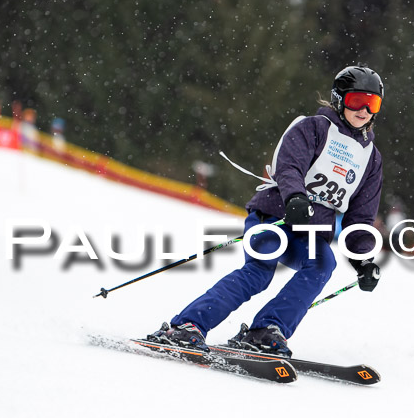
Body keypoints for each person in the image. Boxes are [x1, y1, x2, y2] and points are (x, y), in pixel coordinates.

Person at [147, 66, 385, 357]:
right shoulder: (313, 128)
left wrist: (362, 260)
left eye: (372, 103)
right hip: (275, 216)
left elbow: (360, 216)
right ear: (338, 99)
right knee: (259, 272)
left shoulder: (370, 159)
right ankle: (186, 326)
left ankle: (266, 331)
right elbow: (289, 166)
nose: (363, 110)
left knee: (322, 266)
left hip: (309, 234)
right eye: (356, 100)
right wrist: (295, 197)